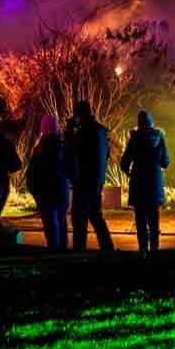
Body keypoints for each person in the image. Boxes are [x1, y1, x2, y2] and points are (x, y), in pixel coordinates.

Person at [65, 99, 114, 253]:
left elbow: (72, 149)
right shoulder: (101, 130)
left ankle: (80, 251)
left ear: (80, 114)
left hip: (84, 180)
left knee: (79, 218)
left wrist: (70, 128)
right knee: (95, 215)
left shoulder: (85, 131)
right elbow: (106, 155)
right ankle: (108, 248)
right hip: (97, 179)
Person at [118, 109, 169, 255]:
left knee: (140, 219)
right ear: (152, 123)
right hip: (154, 183)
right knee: (154, 218)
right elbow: (165, 162)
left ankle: (143, 250)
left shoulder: (135, 138)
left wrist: (129, 173)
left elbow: (124, 162)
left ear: (138, 124)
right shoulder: (159, 137)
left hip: (139, 183)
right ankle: (155, 248)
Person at [25, 113, 73, 251]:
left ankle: (54, 253)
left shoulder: (39, 150)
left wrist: (36, 193)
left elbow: (31, 175)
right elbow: (72, 168)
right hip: (62, 190)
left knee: (51, 226)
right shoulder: (64, 146)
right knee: (62, 223)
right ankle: (63, 253)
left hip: (46, 193)